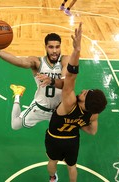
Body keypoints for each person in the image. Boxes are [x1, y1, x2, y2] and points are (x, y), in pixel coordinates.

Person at [45, 22, 107, 182]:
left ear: (85, 101)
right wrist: (78, 123)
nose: (85, 90)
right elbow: (92, 131)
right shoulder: (93, 114)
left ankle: (52, 178)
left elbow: (71, 76)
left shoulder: (69, 103)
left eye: (87, 93)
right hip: (72, 139)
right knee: (72, 166)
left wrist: (77, 50)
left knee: (52, 161)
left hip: (54, 137)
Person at [0, 33, 68, 130]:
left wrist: (51, 80)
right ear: (45, 47)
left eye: (57, 47)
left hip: (59, 110)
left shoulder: (65, 61)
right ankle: (17, 94)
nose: (55, 51)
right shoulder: (37, 62)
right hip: (39, 107)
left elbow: (64, 84)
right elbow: (20, 61)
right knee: (15, 125)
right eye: (51, 47)